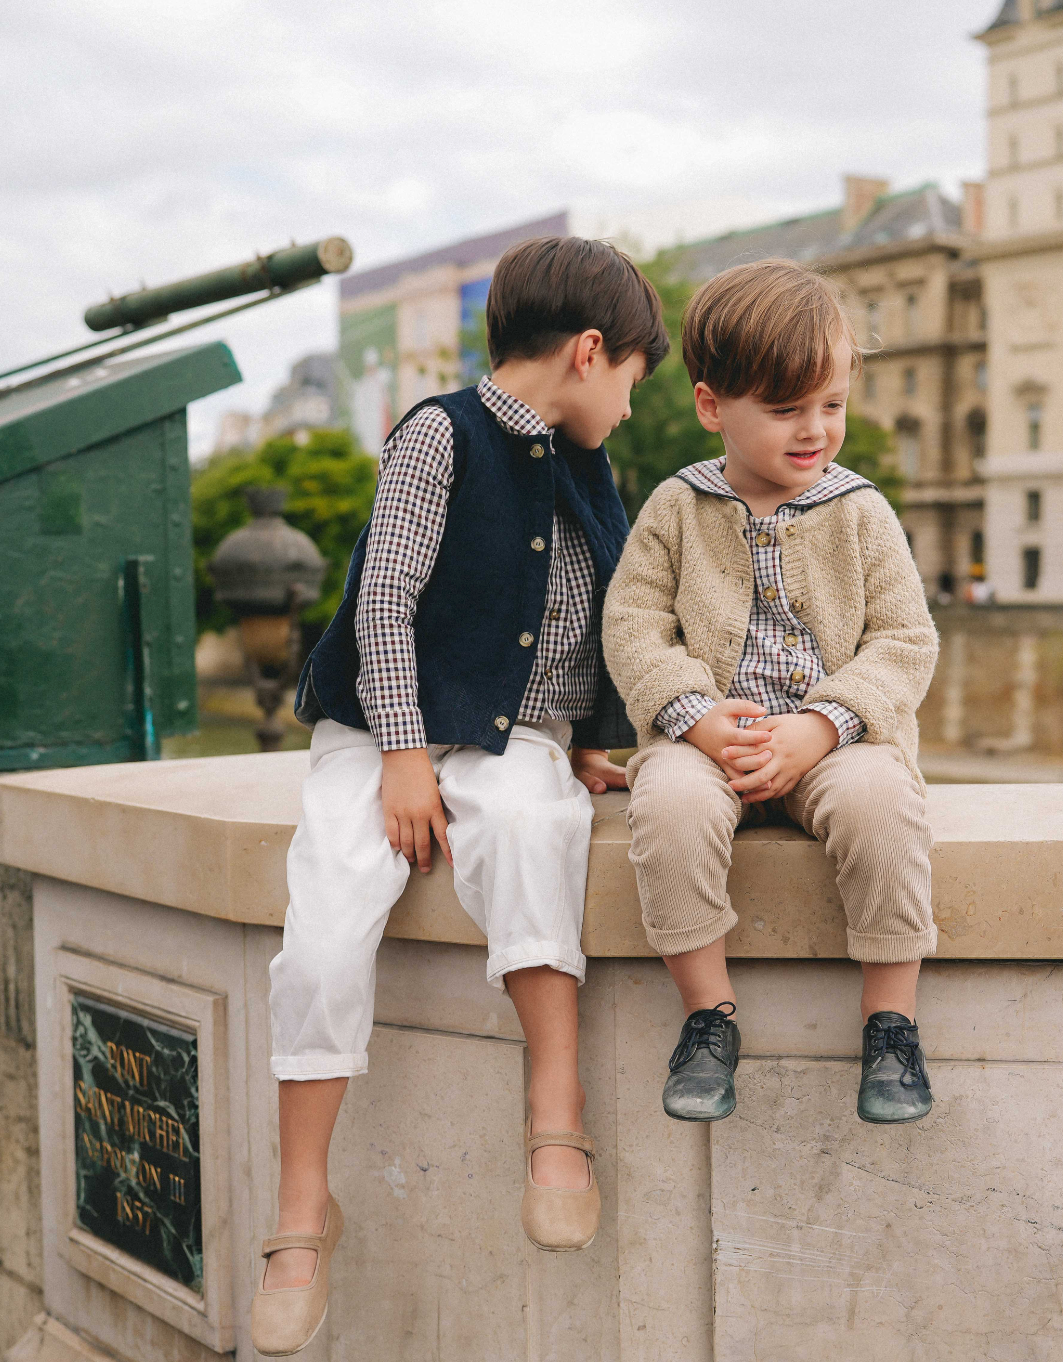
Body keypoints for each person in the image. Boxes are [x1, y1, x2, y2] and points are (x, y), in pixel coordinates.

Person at [250, 236, 666, 1355]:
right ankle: (300, 1216)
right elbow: (382, 600)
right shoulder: (439, 434)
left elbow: (583, 616)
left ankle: (556, 1123)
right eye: (631, 377)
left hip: (513, 741)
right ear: (588, 353)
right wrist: (397, 753)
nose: (630, 405)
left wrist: (586, 738)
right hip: (380, 734)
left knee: (536, 829)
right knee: (328, 920)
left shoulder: (590, 467)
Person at [604, 258, 940, 1132]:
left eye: (831, 405)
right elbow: (634, 624)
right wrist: (696, 719)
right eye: (787, 410)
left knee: (883, 807)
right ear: (714, 407)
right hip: (705, 743)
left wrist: (826, 726)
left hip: (836, 746)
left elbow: (906, 640)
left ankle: (891, 1021)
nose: (815, 431)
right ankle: (709, 1018)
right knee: (667, 807)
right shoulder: (676, 508)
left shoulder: (862, 510)